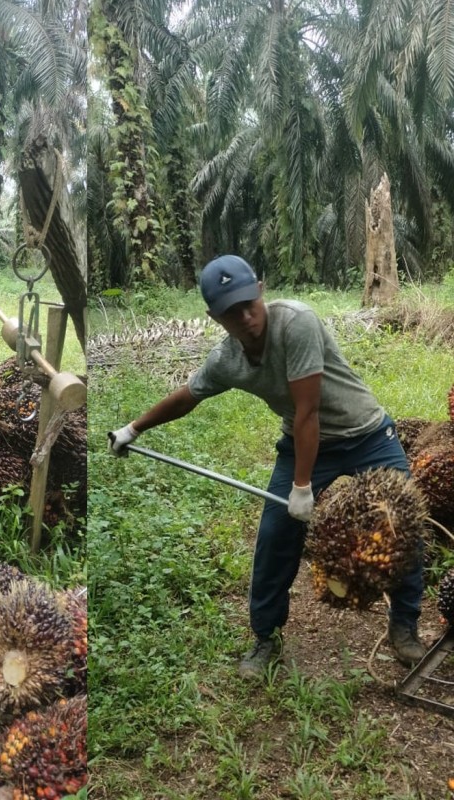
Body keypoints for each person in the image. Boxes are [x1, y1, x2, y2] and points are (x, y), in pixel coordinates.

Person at [109, 254, 425, 679]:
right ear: (214, 317)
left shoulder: (297, 323)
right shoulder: (226, 360)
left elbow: (307, 411)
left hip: (365, 432)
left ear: (260, 291)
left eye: (248, 304)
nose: (246, 318)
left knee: (403, 526)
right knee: (276, 535)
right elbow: (188, 395)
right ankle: (265, 638)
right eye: (231, 313)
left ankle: (405, 628)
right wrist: (134, 428)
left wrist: (301, 488)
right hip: (302, 444)